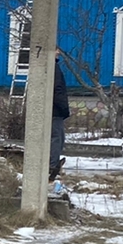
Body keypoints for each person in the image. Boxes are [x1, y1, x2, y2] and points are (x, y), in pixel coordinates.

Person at [49, 53, 70, 182]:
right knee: (56, 138)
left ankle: (53, 164)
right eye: (56, 50)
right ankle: (52, 166)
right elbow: (57, 90)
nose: (58, 52)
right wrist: (63, 108)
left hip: (53, 109)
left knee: (59, 138)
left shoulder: (52, 66)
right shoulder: (54, 68)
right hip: (55, 110)